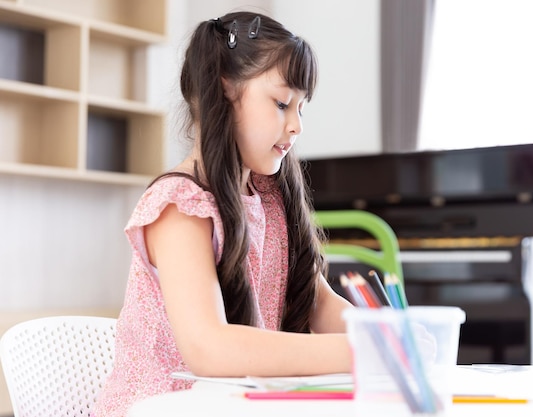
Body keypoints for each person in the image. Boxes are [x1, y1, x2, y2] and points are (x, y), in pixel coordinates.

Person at [92, 11, 354, 417]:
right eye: (283, 103)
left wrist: (382, 336)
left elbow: (319, 303)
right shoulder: (179, 205)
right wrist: (351, 352)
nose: (297, 125)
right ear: (224, 91)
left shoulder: (270, 196)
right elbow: (209, 348)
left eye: (302, 108)